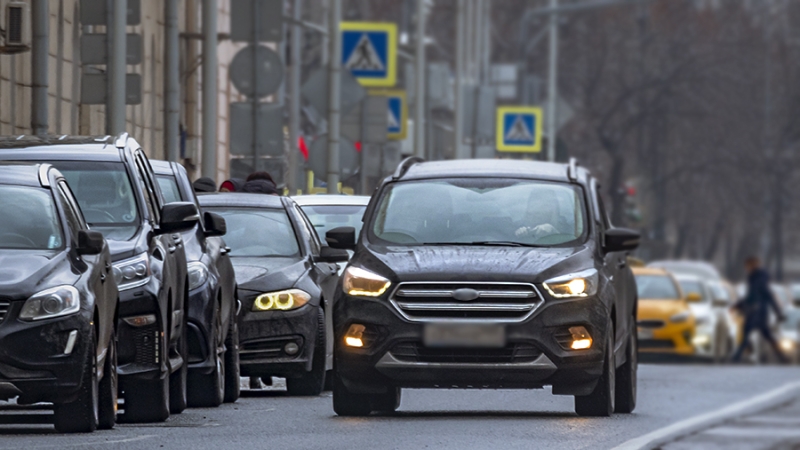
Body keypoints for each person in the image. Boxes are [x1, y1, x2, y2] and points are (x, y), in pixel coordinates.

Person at [730, 256, 788, 363]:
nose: (746, 268)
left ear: (752, 265)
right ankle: (783, 357)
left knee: (747, 333)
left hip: (757, 312)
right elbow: (751, 296)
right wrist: (738, 305)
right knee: (767, 336)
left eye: (747, 266)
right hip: (757, 311)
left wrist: (778, 313)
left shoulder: (758, 279)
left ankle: (736, 357)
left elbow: (766, 295)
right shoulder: (754, 277)